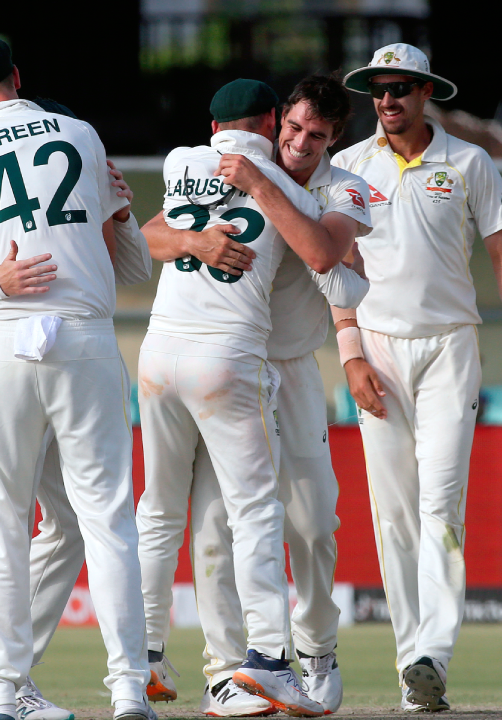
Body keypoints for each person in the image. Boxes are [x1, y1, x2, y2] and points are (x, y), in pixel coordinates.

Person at [0, 37, 151, 720]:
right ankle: (129, 689)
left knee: (0, 525)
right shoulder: (80, 134)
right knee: (108, 521)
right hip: (82, 336)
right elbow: (129, 261)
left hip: (3, 341)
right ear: (18, 77)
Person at [139, 74, 370, 716]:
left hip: (289, 364)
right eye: (291, 128)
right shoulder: (227, 167)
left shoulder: (342, 187)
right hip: (232, 357)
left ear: (334, 140)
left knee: (316, 519)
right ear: (275, 122)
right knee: (216, 525)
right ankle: (232, 669)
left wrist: (261, 182)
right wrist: (195, 239)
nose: (299, 142)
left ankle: (316, 649)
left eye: (315, 135)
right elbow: (151, 236)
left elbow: (323, 252)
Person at [330, 43, 502, 710]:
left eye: (403, 88)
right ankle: (413, 668)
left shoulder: (468, 162)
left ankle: (433, 654)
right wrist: (350, 352)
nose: (389, 100)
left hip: (449, 348)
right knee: (395, 518)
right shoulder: (347, 165)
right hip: (376, 350)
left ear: (426, 93)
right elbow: (334, 263)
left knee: (441, 504)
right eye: (380, 90)